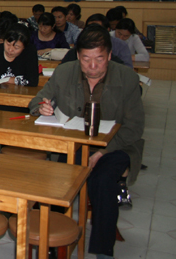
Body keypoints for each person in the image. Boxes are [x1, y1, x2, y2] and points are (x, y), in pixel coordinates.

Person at [29, 25, 144, 259]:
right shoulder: (64, 72)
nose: (92, 66)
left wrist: (103, 152)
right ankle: (51, 241)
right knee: (57, 179)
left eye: (99, 59)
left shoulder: (127, 78)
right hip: (74, 146)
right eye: (86, 59)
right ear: (78, 55)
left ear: (109, 56)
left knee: (102, 182)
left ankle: (103, 250)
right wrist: (43, 107)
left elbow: (134, 127)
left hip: (116, 146)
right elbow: (38, 100)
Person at [61, 14, 132, 68]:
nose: (93, 32)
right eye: (89, 28)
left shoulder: (120, 45)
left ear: (107, 30)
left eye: (97, 28)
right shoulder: (77, 49)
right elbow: (62, 71)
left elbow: (127, 70)